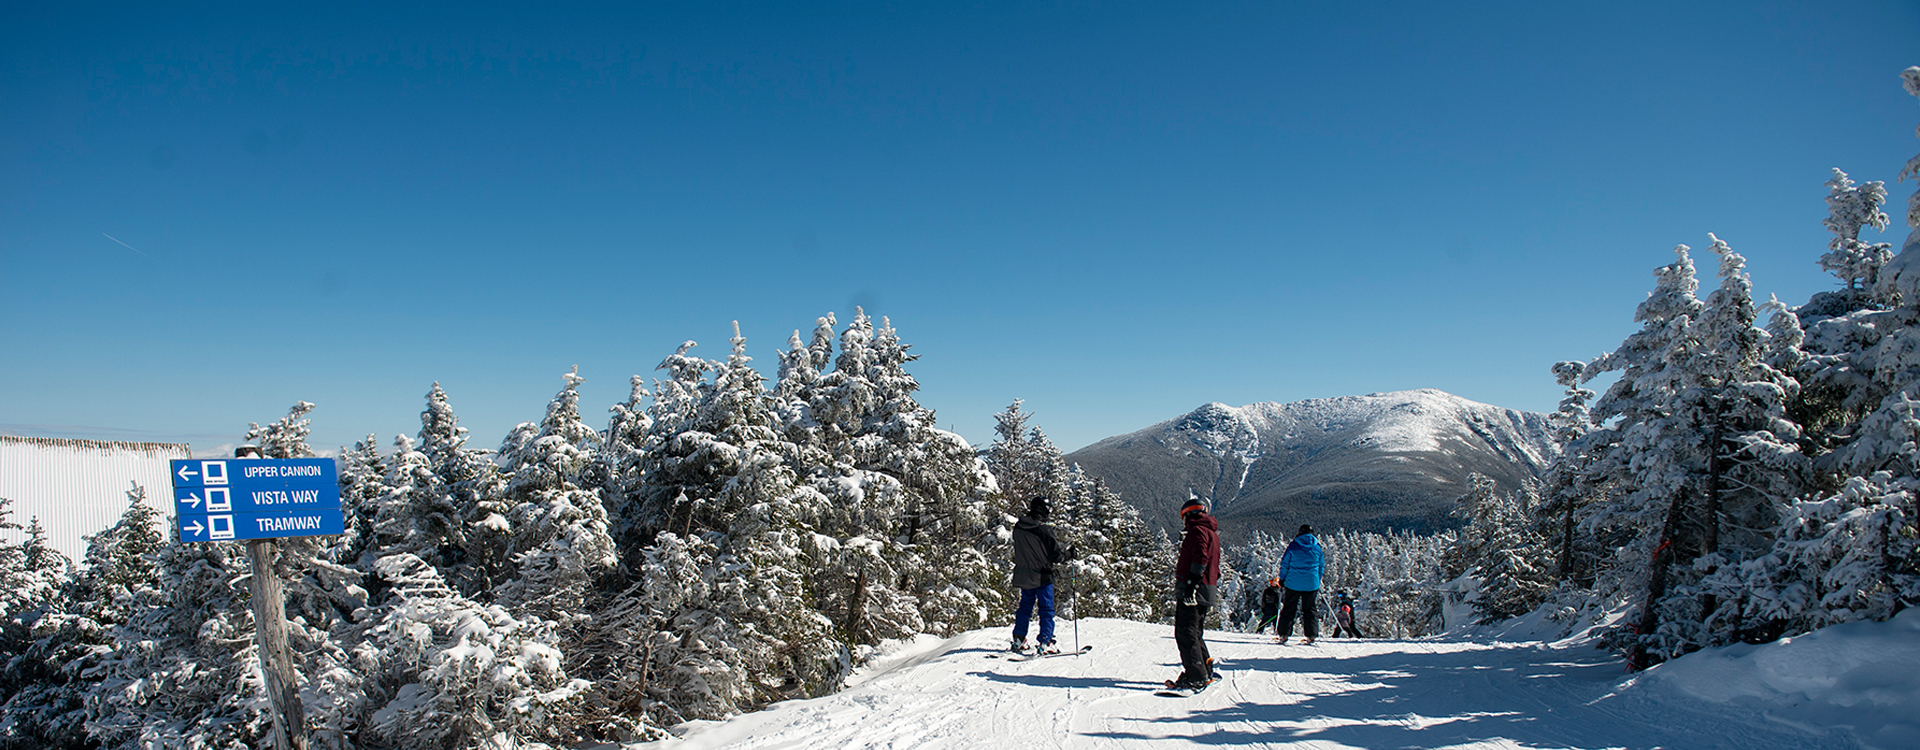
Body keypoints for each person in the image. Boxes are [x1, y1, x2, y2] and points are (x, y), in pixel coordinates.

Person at [1167, 497, 1221, 690]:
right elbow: (1214, 565)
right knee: (1195, 631)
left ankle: (1195, 676)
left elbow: (1200, 558)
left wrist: (1190, 584)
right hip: (1207, 588)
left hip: (1195, 589)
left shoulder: (1197, 532)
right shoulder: (1212, 533)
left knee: (1185, 632)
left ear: (1188, 515)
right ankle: (1205, 670)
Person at [1010, 496, 1073, 654]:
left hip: (1024, 574)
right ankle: (1046, 641)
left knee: (1025, 607)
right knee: (1045, 609)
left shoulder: (1019, 527)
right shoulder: (1044, 530)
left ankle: (1019, 639)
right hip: (1042, 575)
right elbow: (1056, 556)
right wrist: (1069, 554)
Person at [1275, 524, 1324, 645]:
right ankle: (1311, 635)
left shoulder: (1293, 546)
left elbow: (1285, 564)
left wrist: (1282, 579)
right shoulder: (1317, 547)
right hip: (1311, 584)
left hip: (1293, 583)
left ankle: (1284, 634)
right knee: (1310, 609)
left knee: (1289, 608)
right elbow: (1321, 566)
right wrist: (1317, 579)